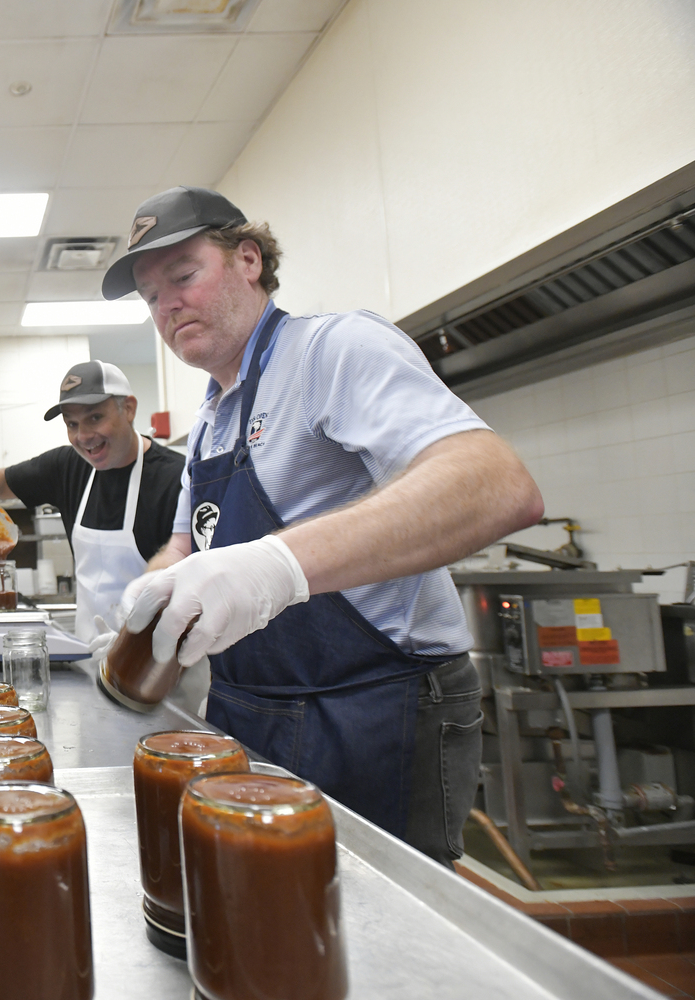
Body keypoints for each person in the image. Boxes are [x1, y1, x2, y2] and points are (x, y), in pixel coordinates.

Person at [98, 186, 543, 864]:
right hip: (249, 709)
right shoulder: (213, 415)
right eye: (151, 296)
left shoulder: (334, 350)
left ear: (248, 259)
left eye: (183, 276)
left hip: (376, 709)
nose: (168, 305)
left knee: (371, 939)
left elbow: (496, 484)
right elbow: (188, 541)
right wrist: (153, 589)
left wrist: (275, 566)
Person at [0, 361, 184, 640]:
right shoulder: (67, 466)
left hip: (159, 657)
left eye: (95, 417)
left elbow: (180, 562)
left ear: (129, 408)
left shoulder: (177, 476)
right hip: (89, 657)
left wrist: (133, 637)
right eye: (71, 424)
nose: (83, 436)